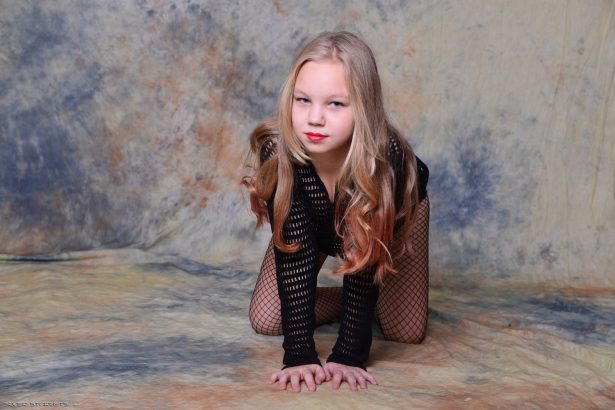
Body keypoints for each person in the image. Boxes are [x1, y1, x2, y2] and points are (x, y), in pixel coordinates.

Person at [241, 31, 429, 393]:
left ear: (364, 108)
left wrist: (349, 354)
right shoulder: (279, 154)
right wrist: (299, 354)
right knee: (266, 319)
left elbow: (364, 261)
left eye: (336, 104)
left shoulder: (386, 159)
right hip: (311, 222)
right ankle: (358, 304)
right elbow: (296, 255)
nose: (315, 118)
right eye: (303, 100)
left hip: (392, 215)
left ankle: (375, 304)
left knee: (404, 330)